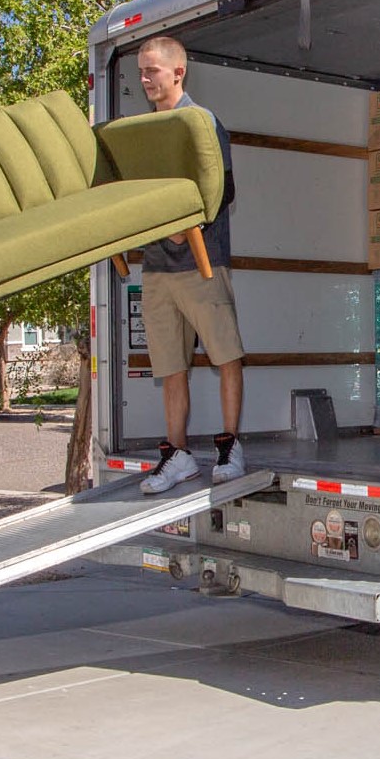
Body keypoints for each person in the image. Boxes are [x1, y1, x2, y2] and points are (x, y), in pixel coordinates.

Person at [133, 36, 248, 495]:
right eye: (141, 72)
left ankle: (231, 447)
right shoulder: (144, 131)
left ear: (178, 72)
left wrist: (190, 225)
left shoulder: (202, 122)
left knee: (226, 355)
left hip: (203, 262)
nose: (144, 79)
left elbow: (224, 188)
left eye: (152, 71)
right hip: (157, 267)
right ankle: (178, 455)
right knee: (170, 366)